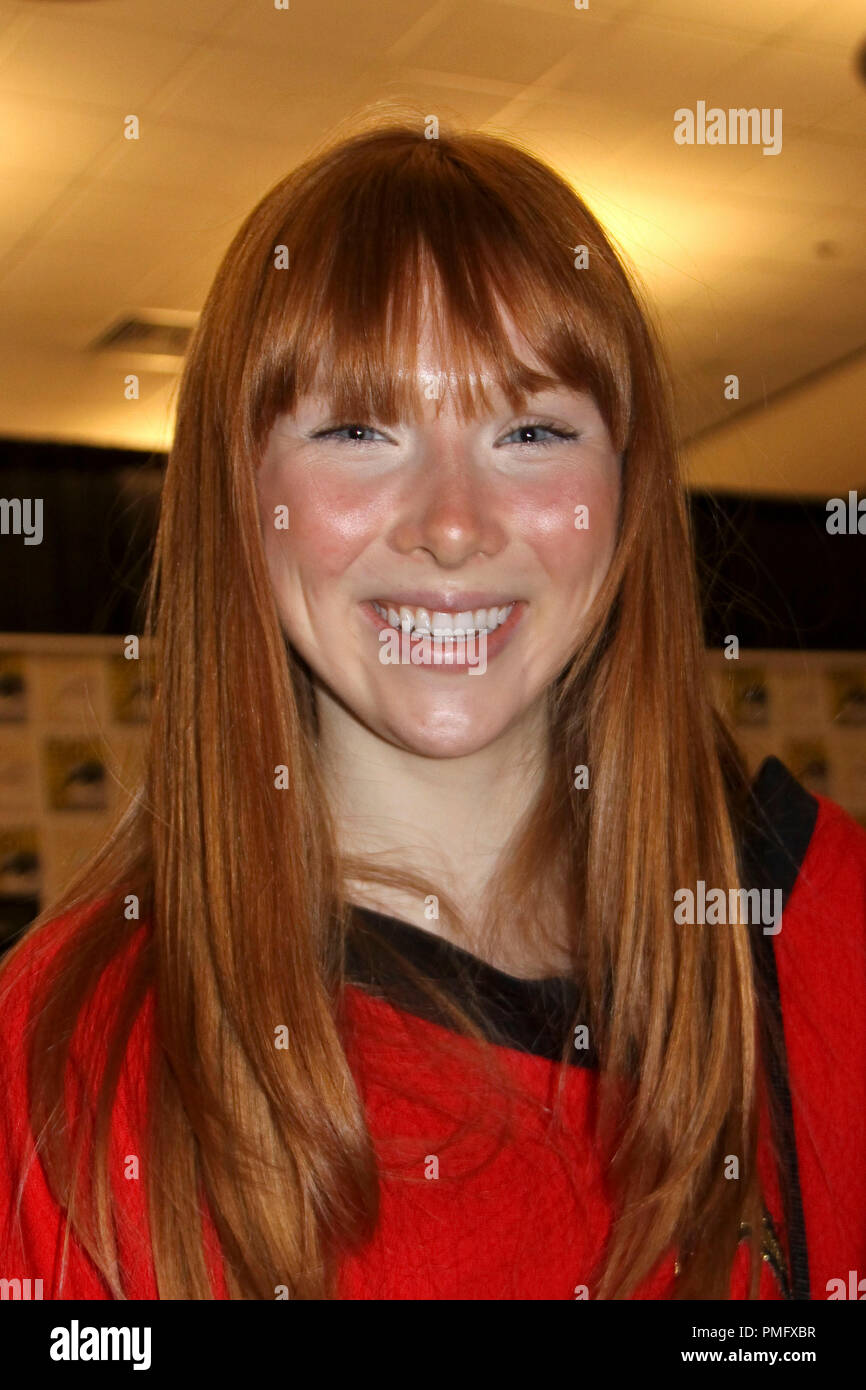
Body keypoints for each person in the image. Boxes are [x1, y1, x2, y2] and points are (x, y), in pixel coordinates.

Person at [1, 115, 864, 1302]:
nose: (452, 522)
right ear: (241, 497)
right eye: (359, 430)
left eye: (531, 429)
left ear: (626, 491)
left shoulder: (824, 933)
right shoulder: (69, 1048)